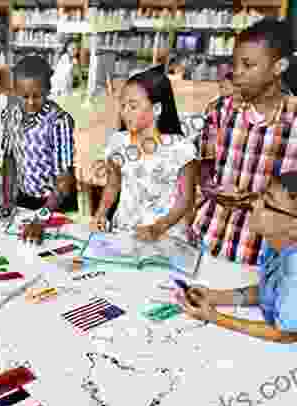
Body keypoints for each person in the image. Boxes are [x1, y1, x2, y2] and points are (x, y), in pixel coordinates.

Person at [192, 18, 297, 266]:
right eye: (235, 63)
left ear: (278, 66)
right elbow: (203, 165)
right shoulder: (219, 110)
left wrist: (253, 200)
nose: (236, 73)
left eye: (248, 65)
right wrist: (210, 188)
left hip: (262, 260)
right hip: (205, 243)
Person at [177, 170, 297, 344]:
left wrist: (214, 317)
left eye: (267, 203)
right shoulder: (277, 243)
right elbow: (272, 291)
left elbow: (285, 334)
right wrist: (216, 297)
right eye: (260, 196)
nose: (254, 204)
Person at [91, 65, 197, 241]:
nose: (125, 113)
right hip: (124, 234)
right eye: (123, 106)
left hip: (166, 238)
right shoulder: (118, 142)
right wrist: (101, 213)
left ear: (156, 109)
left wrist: (157, 228)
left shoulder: (182, 149)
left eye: (133, 106)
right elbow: (112, 185)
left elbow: (186, 199)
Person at [1, 55, 77, 245]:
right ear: (14, 91)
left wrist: (41, 218)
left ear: (48, 90)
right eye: (24, 96)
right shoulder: (10, 115)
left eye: (38, 95)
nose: (30, 103)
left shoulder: (59, 121)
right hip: (24, 199)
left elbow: (64, 180)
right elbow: (9, 158)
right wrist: (8, 199)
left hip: (55, 204)